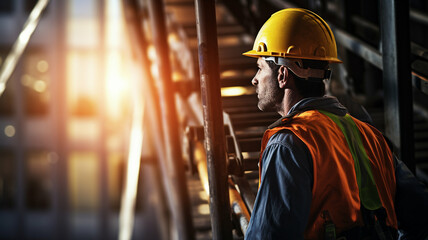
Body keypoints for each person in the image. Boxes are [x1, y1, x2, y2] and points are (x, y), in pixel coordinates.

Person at [242, 8, 428, 240]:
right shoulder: (369, 135)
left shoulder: (289, 144)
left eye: (259, 67)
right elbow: (421, 215)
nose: (254, 79)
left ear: (282, 74)